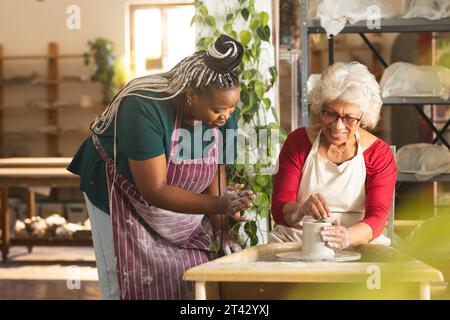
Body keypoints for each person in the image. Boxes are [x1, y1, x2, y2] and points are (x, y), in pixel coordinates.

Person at [68, 34, 255, 300]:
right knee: (127, 280)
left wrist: (223, 229)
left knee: (188, 272)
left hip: (171, 198)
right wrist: (217, 204)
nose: (225, 117)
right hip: (118, 190)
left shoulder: (223, 107)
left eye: (231, 108)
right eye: (218, 110)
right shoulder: (144, 106)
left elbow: (216, 170)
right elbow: (154, 190)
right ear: (191, 96)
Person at [270, 61, 396, 250]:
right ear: (321, 107)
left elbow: (377, 218)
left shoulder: (379, 154)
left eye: (349, 118)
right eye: (331, 114)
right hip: (298, 240)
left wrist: (347, 236)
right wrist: (301, 209)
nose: (338, 126)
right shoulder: (298, 142)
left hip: (357, 240)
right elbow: (280, 210)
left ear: (363, 117)